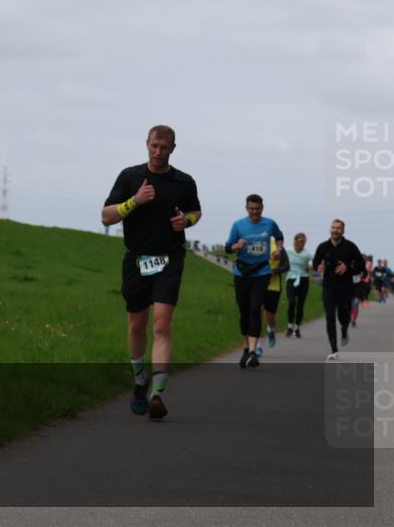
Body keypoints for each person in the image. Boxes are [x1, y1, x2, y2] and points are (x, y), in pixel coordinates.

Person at [102, 125, 201, 420]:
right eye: (154, 146)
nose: (158, 152)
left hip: (170, 258)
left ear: (173, 148)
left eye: (165, 148)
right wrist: (134, 201)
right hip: (136, 259)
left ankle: (157, 393)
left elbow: (196, 211)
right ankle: (139, 379)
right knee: (136, 325)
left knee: (161, 324)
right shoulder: (130, 176)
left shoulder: (184, 182)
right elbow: (106, 215)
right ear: (147, 144)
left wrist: (187, 221)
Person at [225, 194, 284, 369]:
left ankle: (253, 351)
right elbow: (228, 247)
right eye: (251, 209)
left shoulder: (269, 224)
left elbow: (279, 236)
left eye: (257, 208)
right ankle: (245, 347)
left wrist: (279, 249)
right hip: (242, 273)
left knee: (254, 309)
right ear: (246, 208)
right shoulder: (238, 225)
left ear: (262, 208)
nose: (254, 212)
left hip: (262, 272)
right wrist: (236, 246)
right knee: (244, 311)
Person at [312, 219, 365, 361]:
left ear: (343, 231)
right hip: (329, 287)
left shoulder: (350, 246)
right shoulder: (323, 247)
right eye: (333, 227)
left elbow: (361, 265)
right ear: (330, 229)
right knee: (330, 317)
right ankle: (334, 349)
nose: (335, 230)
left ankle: (344, 329)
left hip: (346, 288)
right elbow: (316, 262)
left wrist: (348, 267)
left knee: (344, 316)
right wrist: (318, 267)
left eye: (339, 228)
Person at [284, 232, 314, 338]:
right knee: (292, 302)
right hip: (291, 279)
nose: (303, 243)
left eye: (304, 241)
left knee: (300, 305)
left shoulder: (307, 253)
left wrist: (310, 266)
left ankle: (297, 328)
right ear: (295, 241)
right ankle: (289, 326)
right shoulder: (288, 251)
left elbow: (317, 260)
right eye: (301, 240)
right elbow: (280, 257)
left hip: (303, 280)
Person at [263, 236, 290, 349]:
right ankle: (256, 346)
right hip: (256, 285)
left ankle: (271, 330)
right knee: (255, 313)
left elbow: (286, 265)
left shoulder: (277, 245)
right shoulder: (253, 243)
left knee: (270, 317)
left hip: (273, 286)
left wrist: (274, 271)